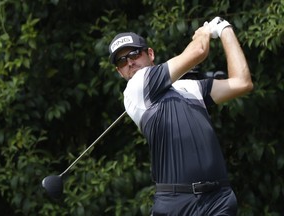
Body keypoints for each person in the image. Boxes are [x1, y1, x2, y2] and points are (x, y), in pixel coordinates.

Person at [108, 17, 253, 216]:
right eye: (121, 61)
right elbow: (198, 51)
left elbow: (242, 82)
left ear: (150, 54)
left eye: (134, 53)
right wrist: (203, 33)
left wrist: (226, 30)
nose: (130, 63)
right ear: (119, 71)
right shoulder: (136, 87)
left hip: (218, 199)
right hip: (177, 204)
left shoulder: (189, 87)